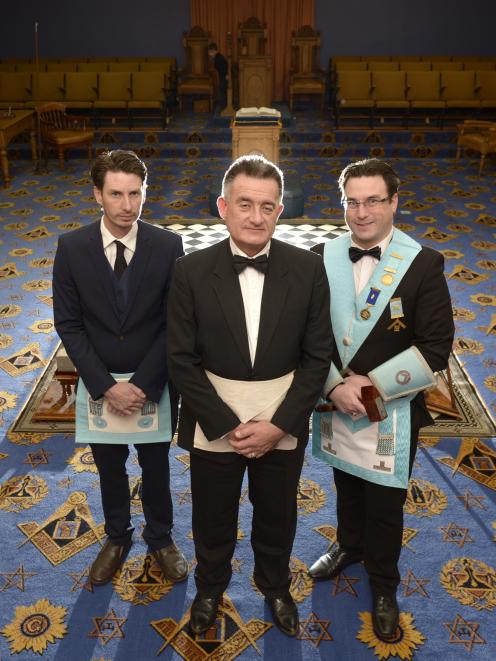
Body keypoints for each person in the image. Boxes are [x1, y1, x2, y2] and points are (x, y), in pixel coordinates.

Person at [167, 155, 332, 637]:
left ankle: (275, 585)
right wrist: (226, 424)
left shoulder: (308, 268)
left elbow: (317, 357)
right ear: (223, 207)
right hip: (213, 414)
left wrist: (279, 424)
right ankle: (210, 587)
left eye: (267, 206)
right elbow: (180, 359)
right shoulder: (190, 271)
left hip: (283, 414)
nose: (256, 217)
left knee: (278, 513)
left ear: (280, 211)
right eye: (245, 204)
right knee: (211, 514)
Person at [309, 158, 454, 642]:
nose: (362, 212)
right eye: (352, 201)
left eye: (373, 201)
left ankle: (385, 585)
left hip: (392, 406)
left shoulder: (422, 263)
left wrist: (368, 387)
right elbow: (308, 333)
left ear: (394, 201)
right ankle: (349, 546)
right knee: (345, 479)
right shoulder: (321, 255)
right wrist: (334, 384)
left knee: (387, 501)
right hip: (335, 397)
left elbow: (435, 348)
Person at [53, 149, 187, 586]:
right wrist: (106, 385)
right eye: (116, 194)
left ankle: (161, 536)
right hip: (100, 383)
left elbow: (175, 322)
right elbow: (69, 325)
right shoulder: (71, 248)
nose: (127, 205)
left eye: (135, 193)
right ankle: (116, 535)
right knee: (109, 469)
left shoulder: (168, 245)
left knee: (157, 467)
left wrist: (146, 384)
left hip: (154, 383)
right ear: (98, 195)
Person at [208, 42, 228, 110]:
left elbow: (225, 66)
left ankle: (224, 108)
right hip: (222, 76)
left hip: (224, 76)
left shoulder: (219, 58)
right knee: (221, 91)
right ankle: (223, 107)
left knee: (222, 91)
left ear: (216, 51)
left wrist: (226, 75)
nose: (210, 54)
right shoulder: (216, 57)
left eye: (212, 52)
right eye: (209, 52)